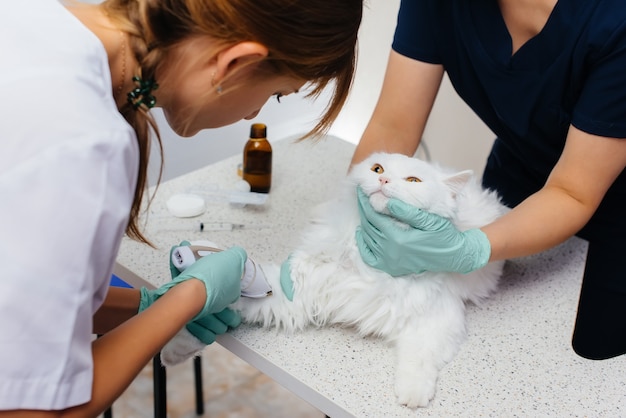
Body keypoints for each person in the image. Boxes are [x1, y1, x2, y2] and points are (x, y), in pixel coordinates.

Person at [0, 0, 362, 415]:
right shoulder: (85, 145)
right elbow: (36, 411)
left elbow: (24, 316)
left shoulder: (34, 18)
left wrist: (149, 306)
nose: (254, 113)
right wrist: (190, 296)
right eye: (277, 94)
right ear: (236, 63)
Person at [353, 0, 626, 360]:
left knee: (592, 358)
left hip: (616, 208)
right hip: (521, 167)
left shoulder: (613, 21)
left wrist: (468, 248)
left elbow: (573, 192)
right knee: (475, 330)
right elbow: (394, 123)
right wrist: (354, 207)